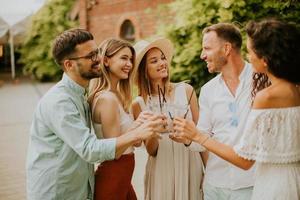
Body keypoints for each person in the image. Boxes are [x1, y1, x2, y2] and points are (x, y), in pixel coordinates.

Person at [26, 29, 164, 200]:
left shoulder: (81, 96)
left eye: (97, 52)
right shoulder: (60, 102)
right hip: (57, 193)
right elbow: (89, 149)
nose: (99, 59)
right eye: (90, 56)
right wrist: (137, 132)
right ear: (69, 65)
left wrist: (136, 127)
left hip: (79, 189)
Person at [173, 19, 300, 200]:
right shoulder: (208, 90)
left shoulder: (264, 88)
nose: (249, 56)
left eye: (250, 51)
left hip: (259, 184)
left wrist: (197, 135)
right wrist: (187, 137)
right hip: (220, 183)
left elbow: (244, 159)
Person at [173, 23, 255, 200]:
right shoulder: (208, 90)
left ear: (226, 48)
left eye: (207, 48)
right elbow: (202, 136)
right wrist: (187, 138)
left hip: (253, 185)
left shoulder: (260, 80)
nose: (202, 55)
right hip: (215, 186)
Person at [131, 38, 204, 200]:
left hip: (189, 163)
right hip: (161, 168)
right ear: (144, 69)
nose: (162, 63)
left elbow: (202, 136)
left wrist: (209, 172)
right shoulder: (139, 104)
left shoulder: (186, 91)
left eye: (163, 58)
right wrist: (153, 132)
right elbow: (152, 151)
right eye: (154, 61)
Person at [88, 38, 143, 200]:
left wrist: (144, 124)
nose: (129, 64)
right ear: (105, 60)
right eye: (124, 58)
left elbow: (137, 143)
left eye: (131, 60)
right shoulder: (107, 99)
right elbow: (115, 151)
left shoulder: (118, 95)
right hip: (113, 173)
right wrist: (139, 127)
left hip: (124, 175)